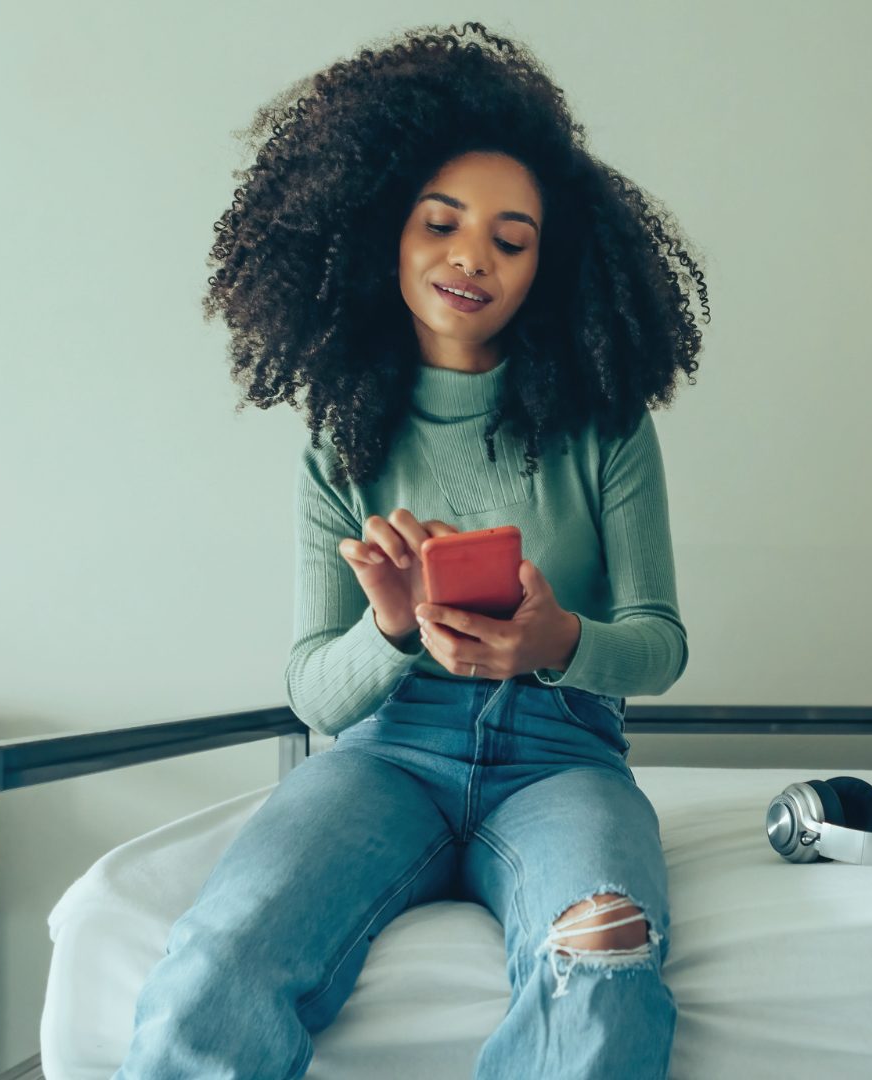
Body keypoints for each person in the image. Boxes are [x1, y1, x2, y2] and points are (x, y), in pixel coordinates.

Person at [116, 21, 707, 1079]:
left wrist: (554, 639)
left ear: (547, 266)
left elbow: (659, 646)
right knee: (220, 953)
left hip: (561, 757)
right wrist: (392, 626)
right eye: (442, 223)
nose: (471, 256)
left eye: (511, 239)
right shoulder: (339, 447)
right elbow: (314, 692)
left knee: (605, 952)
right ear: (384, 228)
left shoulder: (607, 426)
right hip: (388, 755)